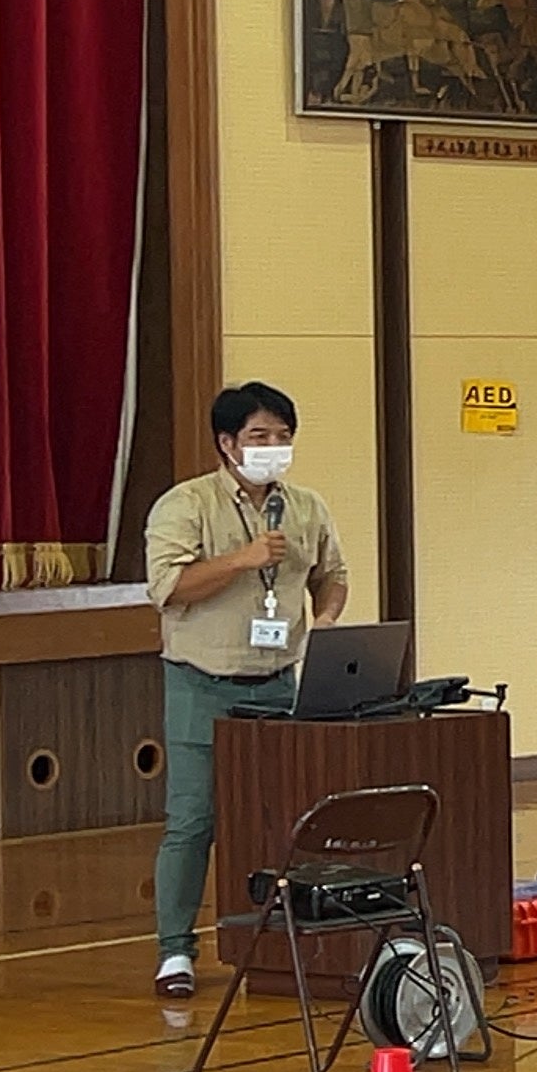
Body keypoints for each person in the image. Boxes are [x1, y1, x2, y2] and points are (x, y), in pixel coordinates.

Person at [142, 383, 349, 1000]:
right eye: (260, 436)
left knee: (286, 820)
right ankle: (175, 952)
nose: (273, 447)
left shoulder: (306, 506)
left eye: (283, 436)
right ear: (227, 442)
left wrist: (326, 618)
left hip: (280, 683)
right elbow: (170, 589)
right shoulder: (186, 505)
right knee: (194, 821)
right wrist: (242, 558)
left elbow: (332, 574)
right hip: (201, 684)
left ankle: (278, 941)